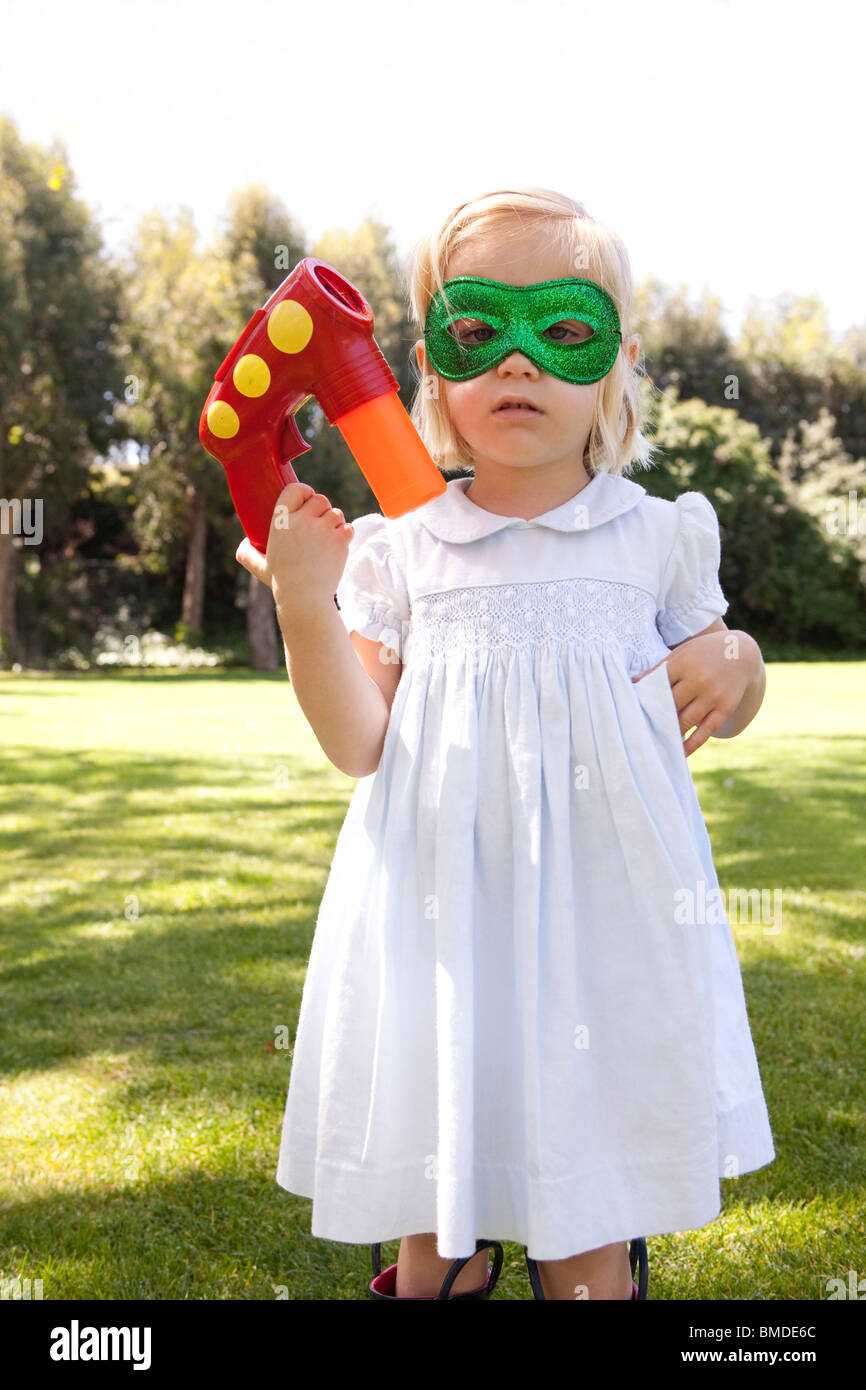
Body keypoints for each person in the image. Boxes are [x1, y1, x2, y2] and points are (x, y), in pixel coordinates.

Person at [236, 187, 775, 1301]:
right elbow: (357, 741)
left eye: (560, 329)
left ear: (617, 364)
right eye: (477, 331)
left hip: (604, 920)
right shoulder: (405, 550)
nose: (516, 365)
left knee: (582, 1234)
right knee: (440, 1225)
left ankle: (588, 1260)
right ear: (429, 367)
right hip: (442, 914)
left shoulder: (654, 534)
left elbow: (717, 666)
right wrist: (305, 605)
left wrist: (741, 662)